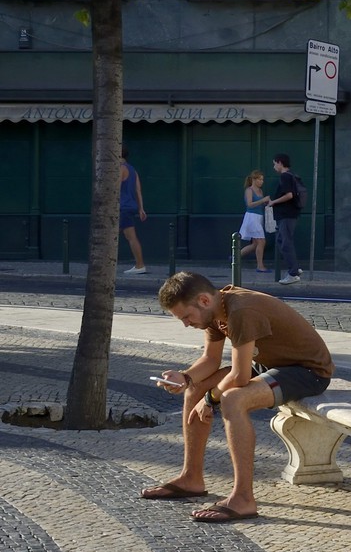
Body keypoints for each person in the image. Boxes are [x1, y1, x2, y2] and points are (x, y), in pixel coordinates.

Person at [143, 271, 333, 522]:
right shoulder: (214, 311)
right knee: (195, 388)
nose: (186, 324)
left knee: (232, 399)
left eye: (186, 317)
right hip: (270, 364)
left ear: (203, 301)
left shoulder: (241, 310)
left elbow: (240, 377)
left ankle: (243, 498)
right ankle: (191, 477)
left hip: (306, 371)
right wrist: (185, 377)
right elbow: (210, 360)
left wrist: (211, 399)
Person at [268, 154, 303, 284]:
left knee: (285, 242)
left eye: (274, 163)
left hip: (286, 214)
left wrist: (274, 202)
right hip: (289, 214)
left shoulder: (285, 177)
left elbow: (289, 195)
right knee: (281, 240)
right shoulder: (292, 175)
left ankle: (293, 273)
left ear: (280, 163)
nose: (274, 166)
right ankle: (294, 267)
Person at [119, 147, 147, 275]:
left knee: (131, 237)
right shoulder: (132, 170)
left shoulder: (120, 168)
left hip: (122, 207)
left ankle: (140, 265)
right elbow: (138, 191)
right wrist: (141, 208)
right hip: (131, 206)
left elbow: (114, 187)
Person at [239, 170, 270, 273]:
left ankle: (235, 256)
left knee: (255, 244)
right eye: (259, 179)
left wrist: (265, 203)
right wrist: (262, 200)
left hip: (259, 217)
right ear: (254, 179)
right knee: (261, 241)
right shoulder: (249, 190)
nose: (261, 182)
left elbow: (259, 204)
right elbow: (250, 204)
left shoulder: (260, 191)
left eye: (262, 179)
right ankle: (260, 266)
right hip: (252, 217)